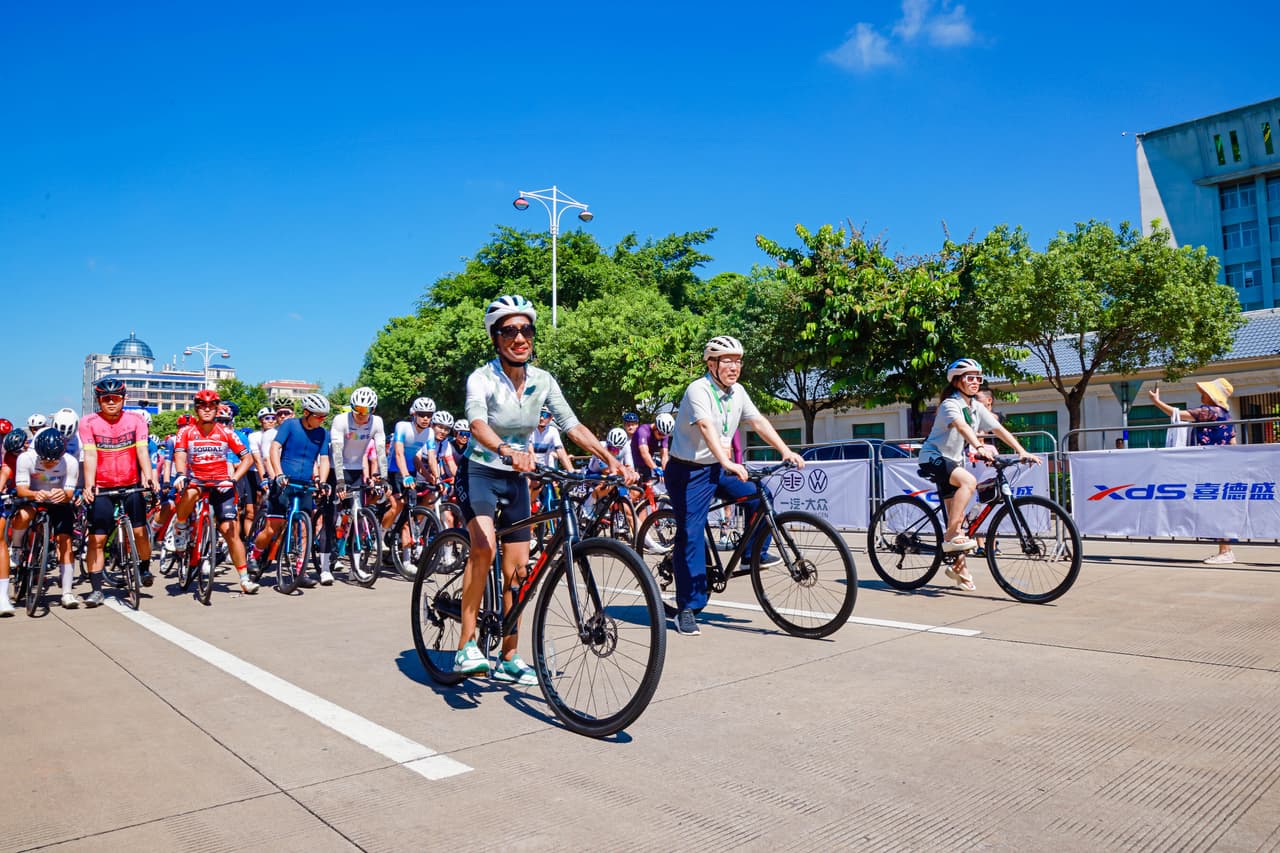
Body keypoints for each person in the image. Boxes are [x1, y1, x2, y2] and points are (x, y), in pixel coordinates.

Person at [455, 294, 630, 682]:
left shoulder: (542, 380)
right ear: (496, 338)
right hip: (481, 471)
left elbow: (572, 425)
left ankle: (510, 656)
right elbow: (477, 424)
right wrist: (504, 449)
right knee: (483, 546)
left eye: (526, 330)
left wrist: (611, 458)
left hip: (518, 477)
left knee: (517, 570)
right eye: (509, 331)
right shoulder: (481, 378)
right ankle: (466, 646)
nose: (520, 338)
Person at [666, 335, 804, 636]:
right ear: (711, 364)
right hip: (687, 472)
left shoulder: (738, 392)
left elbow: (758, 422)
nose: (735, 366)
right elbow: (705, 426)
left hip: (718, 467)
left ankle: (752, 553)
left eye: (738, 360)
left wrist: (785, 449)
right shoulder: (697, 390)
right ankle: (687, 608)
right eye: (727, 360)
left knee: (760, 496)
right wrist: (726, 461)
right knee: (690, 534)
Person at [917, 359, 1040, 591]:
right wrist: (979, 446)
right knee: (969, 483)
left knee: (959, 516)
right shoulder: (949, 404)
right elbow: (962, 427)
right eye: (969, 377)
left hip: (953, 460)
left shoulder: (976, 407)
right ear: (957, 380)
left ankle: (957, 567)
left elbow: (998, 428)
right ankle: (951, 534)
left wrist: (1022, 451)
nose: (975, 382)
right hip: (932, 457)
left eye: (978, 378)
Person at [79, 378, 159, 605]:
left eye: (115, 398)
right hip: (103, 486)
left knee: (141, 531)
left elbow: (143, 451)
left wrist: (150, 478)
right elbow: (91, 456)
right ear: (99, 401)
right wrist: (89, 485)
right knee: (98, 538)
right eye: (106, 399)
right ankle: (96, 589)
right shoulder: (88, 422)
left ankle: (143, 566)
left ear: (124, 399)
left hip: (130, 483)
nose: (111, 402)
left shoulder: (136, 421)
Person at [171, 390, 259, 595]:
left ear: (217, 408)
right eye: (202, 406)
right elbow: (180, 455)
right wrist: (181, 474)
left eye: (211, 406)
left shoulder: (226, 432)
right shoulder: (186, 432)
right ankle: (181, 525)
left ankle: (245, 579)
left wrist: (233, 480)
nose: (207, 409)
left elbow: (247, 459)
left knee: (230, 530)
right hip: (196, 481)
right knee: (191, 493)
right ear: (196, 409)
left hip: (222, 483)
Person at [1147, 377, 1238, 564]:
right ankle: (1225, 549)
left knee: (1216, 508)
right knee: (1220, 507)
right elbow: (1233, 442)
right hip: (1222, 464)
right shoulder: (1227, 415)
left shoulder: (1209, 412)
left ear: (1212, 396)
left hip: (1210, 464)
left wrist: (1157, 402)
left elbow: (1178, 414)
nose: (1202, 395)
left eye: (1205, 392)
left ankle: (1226, 551)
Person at [247, 394, 333, 581]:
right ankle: (254, 554)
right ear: (306, 413)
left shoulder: (323, 434)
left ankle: (300, 570)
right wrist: (278, 474)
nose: (322, 420)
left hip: (305, 485)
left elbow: (324, 459)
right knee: (273, 528)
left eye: (324, 416)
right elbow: (274, 449)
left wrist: (323, 481)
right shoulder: (290, 425)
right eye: (319, 416)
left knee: (303, 528)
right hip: (284, 482)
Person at [10, 429, 81, 610]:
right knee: (24, 515)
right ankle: (17, 548)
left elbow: (70, 493)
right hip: (34, 498)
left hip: (59, 502)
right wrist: (34, 493)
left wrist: (63, 494)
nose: (50, 463)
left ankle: (66, 592)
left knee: (65, 541)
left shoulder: (70, 462)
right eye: (45, 460)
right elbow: (21, 490)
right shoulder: (26, 458)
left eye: (54, 460)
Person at [324, 386, 387, 585]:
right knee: (331, 515)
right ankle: (325, 566)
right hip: (337, 469)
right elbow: (337, 451)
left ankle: (356, 567)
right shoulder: (341, 420)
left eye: (365, 411)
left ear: (373, 410)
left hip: (357, 470)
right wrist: (340, 481)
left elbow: (380, 451)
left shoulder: (377, 422)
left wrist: (383, 478)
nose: (360, 415)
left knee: (358, 519)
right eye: (356, 409)